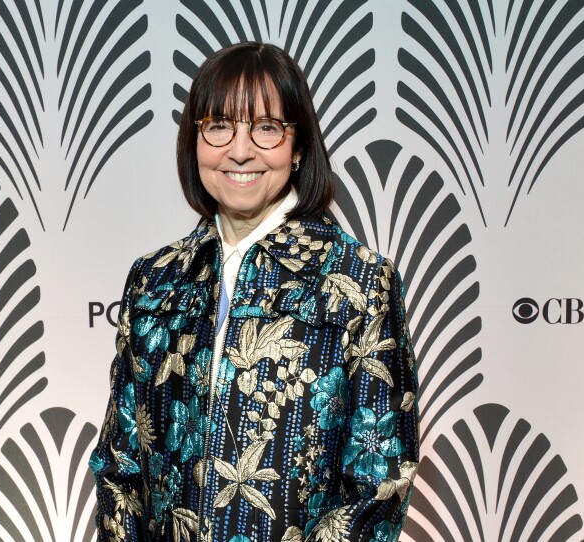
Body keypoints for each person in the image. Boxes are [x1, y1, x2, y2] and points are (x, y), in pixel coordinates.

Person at [91, 41, 419, 542]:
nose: (239, 150)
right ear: (194, 141)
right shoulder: (154, 279)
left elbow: (379, 485)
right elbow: (120, 468)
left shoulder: (360, 281)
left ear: (298, 145)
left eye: (266, 128)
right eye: (219, 125)